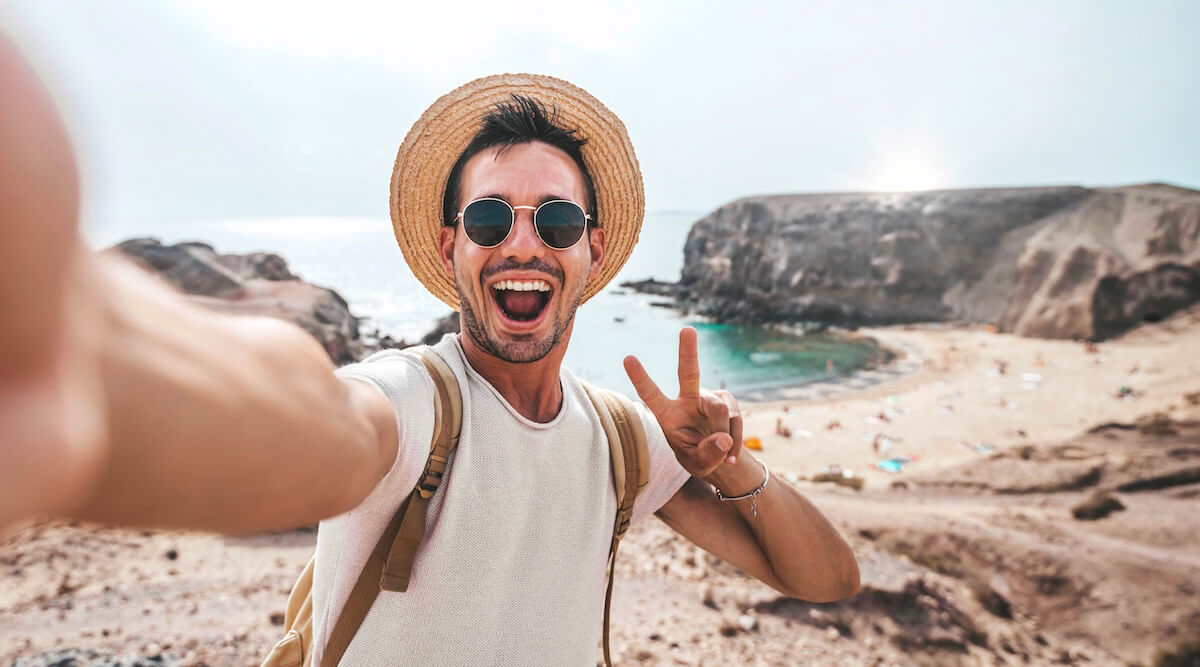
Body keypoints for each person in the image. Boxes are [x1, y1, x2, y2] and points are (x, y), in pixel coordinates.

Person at [0, 46, 859, 663]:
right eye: (491, 219)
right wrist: (78, 356)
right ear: (451, 244)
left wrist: (735, 468)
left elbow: (825, 577)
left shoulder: (623, 441)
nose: (523, 242)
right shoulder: (411, 400)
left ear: (591, 250)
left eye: (555, 220)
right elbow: (323, 424)